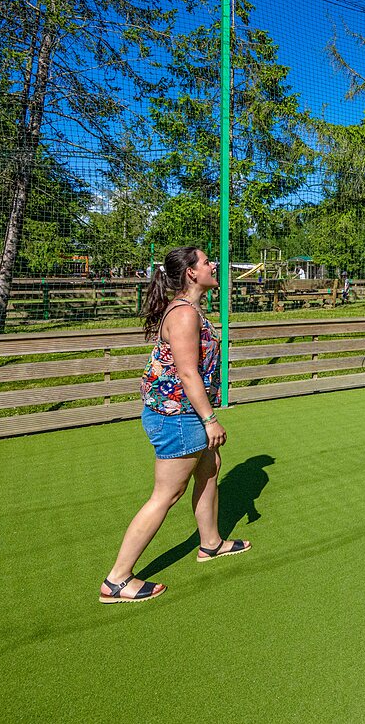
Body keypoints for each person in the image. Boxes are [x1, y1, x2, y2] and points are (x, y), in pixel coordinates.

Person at [99, 246, 251, 603]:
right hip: (177, 416)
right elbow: (187, 372)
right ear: (191, 273)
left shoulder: (192, 310)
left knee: (210, 467)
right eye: (206, 261)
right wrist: (210, 420)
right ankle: (117, 580)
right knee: (167, 494)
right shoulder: (184, 315)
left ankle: (211, 543)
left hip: (182, 412)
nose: (214, 265)